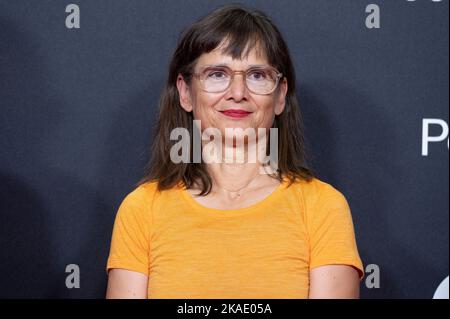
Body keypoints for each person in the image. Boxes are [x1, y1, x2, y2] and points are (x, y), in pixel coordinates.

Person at [106, 4, 364, 299]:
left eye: (256, 75)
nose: (238, 92)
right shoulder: (142, 209)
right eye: (217, 74)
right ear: (186, 92)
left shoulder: (322, 207)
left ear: (280, 96)